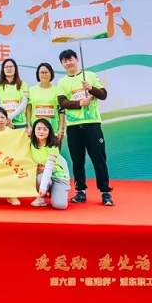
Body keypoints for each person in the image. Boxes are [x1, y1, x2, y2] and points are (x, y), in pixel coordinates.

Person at [56, 49, 113, 206]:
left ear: (77, 59)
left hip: (92, 124)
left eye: (70, 59)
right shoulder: (62, 82)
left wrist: (91, 88)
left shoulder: (90, 76)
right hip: (73, 126)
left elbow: (103, 94)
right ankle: (80, 191)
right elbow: (62, 102)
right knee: (77, 160)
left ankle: (105, 192)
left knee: (98, 159)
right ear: (62, 64)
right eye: (64, 61)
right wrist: (79, 103)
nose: (68, 63)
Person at [28, 118, 70, 209]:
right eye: (38, 128)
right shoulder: (30, 144)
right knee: (40, 177)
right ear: (34, 130)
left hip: (58, 177)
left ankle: (58, 191)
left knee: (60, 206)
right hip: (41, 175)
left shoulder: (53, 146)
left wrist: (43, 187)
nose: (41, 132)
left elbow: (49, 167)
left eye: (45, 129)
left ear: (49, 131)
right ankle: (40, 198)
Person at [26, 63, 65, 144]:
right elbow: (28, 109)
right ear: (38, 74)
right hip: (36, 131)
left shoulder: (58, 90)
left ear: (51, 73)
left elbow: (61, 110)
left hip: (53, 130)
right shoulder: (31, 90)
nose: (44, 75)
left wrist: (61, 129)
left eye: (46, 72)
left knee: (53, 151)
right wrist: (29, 125)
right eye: (42, 72)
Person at [0, 58, 29, 129]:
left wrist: (10, 117)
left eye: (11, 67)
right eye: (6, 67)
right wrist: (5, 117)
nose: (9, 69)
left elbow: (24, 103)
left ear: (15, 68)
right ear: (3, 69)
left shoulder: (23, 84)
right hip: (3, 122)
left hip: (20, 122)